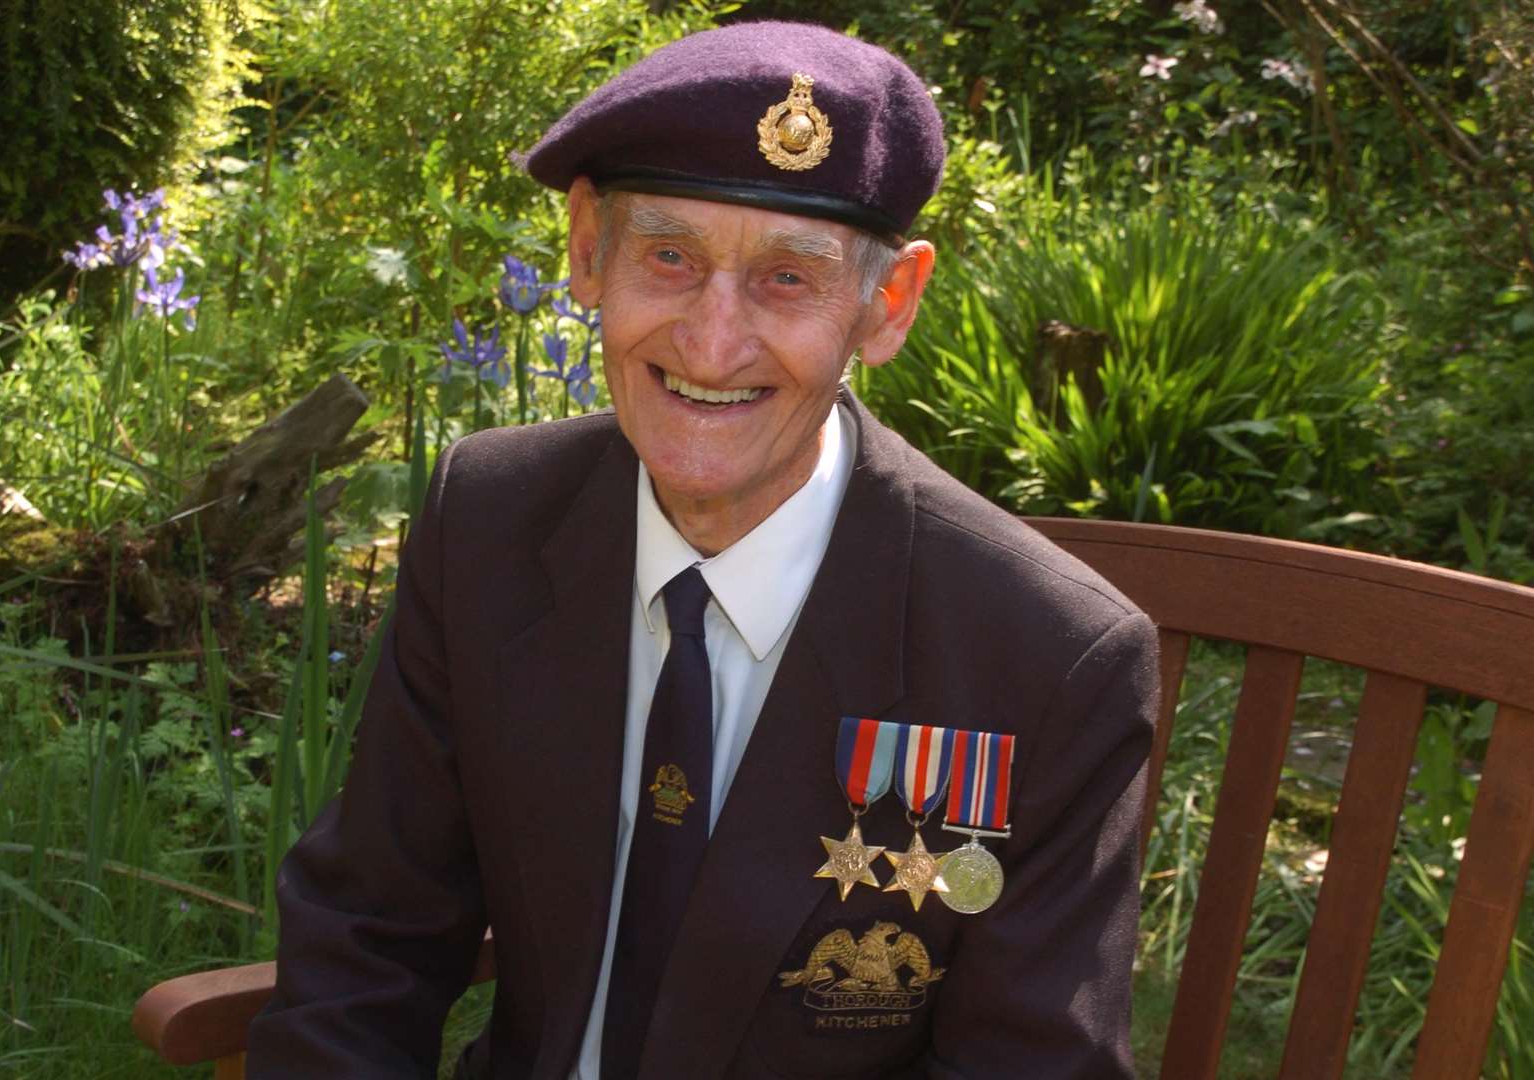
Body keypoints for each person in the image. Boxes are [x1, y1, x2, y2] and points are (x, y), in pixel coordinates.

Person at [248, 20, 1156, 1080]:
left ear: (886, 303)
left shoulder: (1044, 656)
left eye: (786, 278)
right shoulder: (490, 520)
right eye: (669, 257)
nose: (711, 344)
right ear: (588, 249)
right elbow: (370, 932)